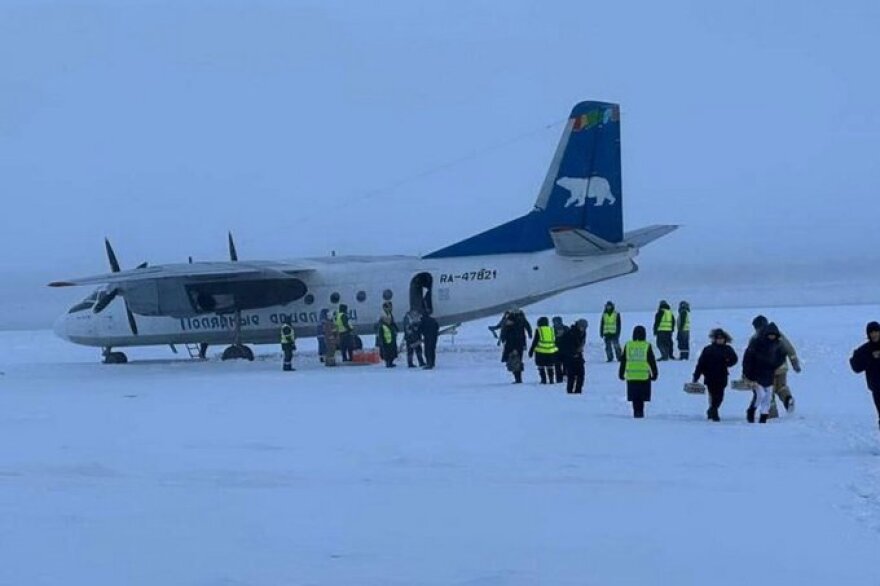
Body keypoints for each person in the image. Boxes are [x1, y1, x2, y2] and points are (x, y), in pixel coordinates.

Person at [749, 315, 801, 417]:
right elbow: (789, 348)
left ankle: (772, 415)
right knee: (781, 387)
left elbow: (750, 356)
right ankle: (788, 399)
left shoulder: (755, 338)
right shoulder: (778, 334)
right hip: (781, 368)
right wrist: (795, 364)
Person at [743, 323, 787, 423]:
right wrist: (748, 375)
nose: (772, 336)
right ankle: (751, 411)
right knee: (760, 395)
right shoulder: (756, 344)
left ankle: (763, 418)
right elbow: (748, 360)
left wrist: (778, 361)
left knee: (767, 398)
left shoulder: (778, 345)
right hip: (756, 376)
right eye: (770, 334)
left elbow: (779, 359)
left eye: (773, 334)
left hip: (769, 376)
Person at [692, 328, 738, 421]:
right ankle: (714, 413)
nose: (720, 340)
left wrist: (728, 362)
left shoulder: (728, 349)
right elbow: (701, 364)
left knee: (720, 396)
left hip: (722, 376)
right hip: (710, 376)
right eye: (718, 338)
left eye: (722, 338)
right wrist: (696, 376)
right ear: (714, 339)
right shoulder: (708, 349)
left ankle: (711, 410)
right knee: (713, 395)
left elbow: (734, 359)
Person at [619, 325, 659, 418]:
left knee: (634, 398)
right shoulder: (646, 346)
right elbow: (651, 361)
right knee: (641, 398)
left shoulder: (628, 345)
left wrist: (621, 373)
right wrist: (655, 373)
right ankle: (640, 413)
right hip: (644, 376)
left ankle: (636, 413)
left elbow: (623, 361)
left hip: (631, 376)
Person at [849, 321, 880, 430]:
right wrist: (870, 358)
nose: (875, 334)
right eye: (872, 332)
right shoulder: (865, 350)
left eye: (876, 332)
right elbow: (856, 366)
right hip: (877, 388)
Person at [558, 319, 588, 394]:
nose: (582, 328)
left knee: (581, 374)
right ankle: (570, 391)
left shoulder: (583, 333)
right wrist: (573, 353)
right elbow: (565, 346)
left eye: (584, 327)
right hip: (569, 357)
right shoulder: (571, 333)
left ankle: (578, 391)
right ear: (578, 325)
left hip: (579, 356)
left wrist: (579, 351)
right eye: (581, 326)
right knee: (571, 376)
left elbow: (582, 343)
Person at [500, 308, 529, 383]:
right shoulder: (517, 325)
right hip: (516, 346)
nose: (507, 322)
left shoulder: (513, 328)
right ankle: (518, 378)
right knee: (515, 362)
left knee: (515, 362)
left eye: (508, 321)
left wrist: (514, 348)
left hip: (513, 347)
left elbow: (509, 335)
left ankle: (518, 379)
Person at [529, 316, 560, 384]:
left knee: (541, 366)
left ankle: (544, 380)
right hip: (551, 351)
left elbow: (535, 341)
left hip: (541, 351)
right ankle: (551, 380)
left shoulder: (539, 330)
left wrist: (531, 351)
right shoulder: (552, 329)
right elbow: (555, 340)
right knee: (550, 366)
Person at [552, 316, 569, 381]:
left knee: (558, 364)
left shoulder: (552, 329)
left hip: (557, 349)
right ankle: (564, 375)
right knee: (563, 364)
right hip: (563, 349)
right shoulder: (566, 328)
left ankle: (559, 378)